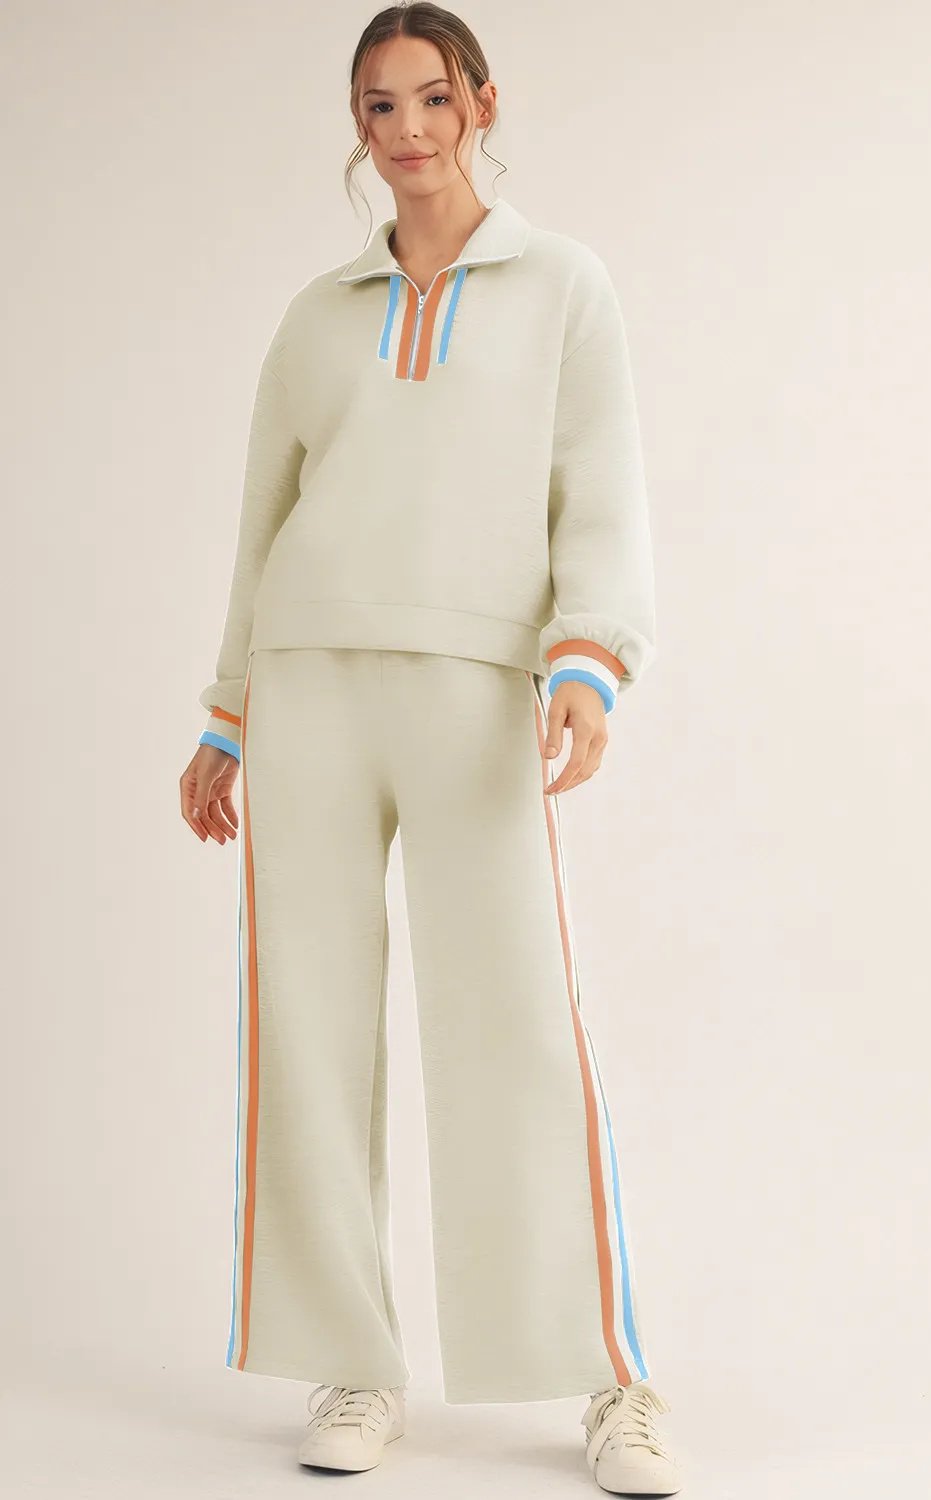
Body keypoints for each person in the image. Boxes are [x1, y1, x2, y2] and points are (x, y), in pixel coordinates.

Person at [178, 4, 682, 1493]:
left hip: (477, 689)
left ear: (480, 103)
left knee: (515, 1021)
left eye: (429, 98)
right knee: (308, 1030)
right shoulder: (317, 311)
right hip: (308, 683)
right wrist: (226, 711)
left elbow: (600, 486)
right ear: (358, 125)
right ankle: (352, 1360)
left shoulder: (562, 284)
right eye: (377, 105)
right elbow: (262, 518)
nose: (405, 130)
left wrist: (588, 659)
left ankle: (609, 1378)